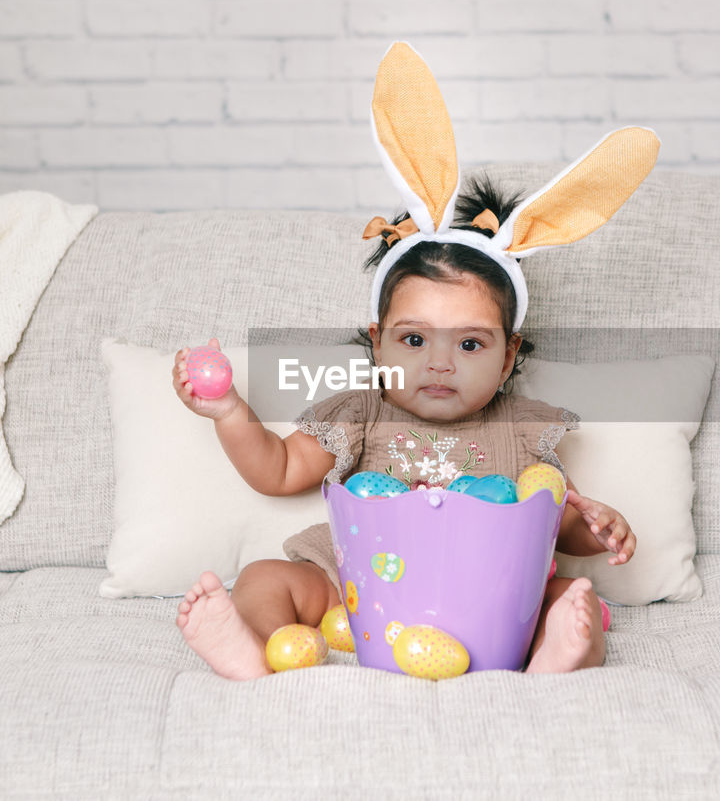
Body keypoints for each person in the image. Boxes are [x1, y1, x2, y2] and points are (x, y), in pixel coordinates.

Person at [173, 40, 660, 680]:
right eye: (412, 340)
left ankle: (557, 656)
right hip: (359, 590)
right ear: (376, 341)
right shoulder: (360, 415)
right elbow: (279, 469)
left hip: (488, 601)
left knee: (571, 598)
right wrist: (230, 412)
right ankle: (250, 646)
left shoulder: (520, 429)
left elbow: (550, 518)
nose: (439, 363)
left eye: (468, 344)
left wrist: (595, 527)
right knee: (267, 577)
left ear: (510, 354)